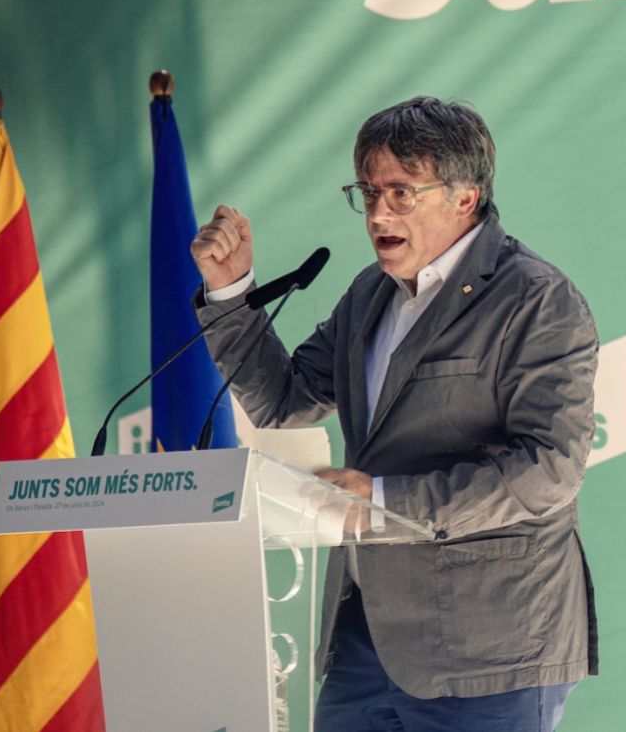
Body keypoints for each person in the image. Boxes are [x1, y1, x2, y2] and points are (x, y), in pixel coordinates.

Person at [190, 96, 598, 731]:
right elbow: (285, 398)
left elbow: (550, 469)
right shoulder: (370, 295)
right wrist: (229, 292)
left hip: (489, 646)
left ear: (465, 197)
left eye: (402, 193)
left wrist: (384, 499)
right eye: (368, 191)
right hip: (365, 639)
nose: (378, 212)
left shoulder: (536, 300)